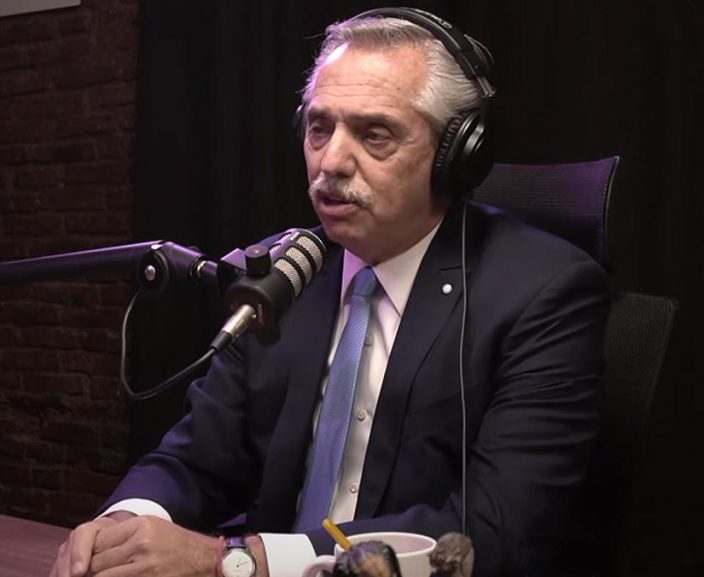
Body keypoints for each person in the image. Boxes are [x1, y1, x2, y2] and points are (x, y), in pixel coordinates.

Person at [50, 8, 607, 577]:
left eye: (374, 134)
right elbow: (197, 458)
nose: (332, 162)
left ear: (455, 154)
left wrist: (239, 561)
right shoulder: (283, 276)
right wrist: (126, 523)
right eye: (319, 128)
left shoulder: (544, 293)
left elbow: (495, 528)